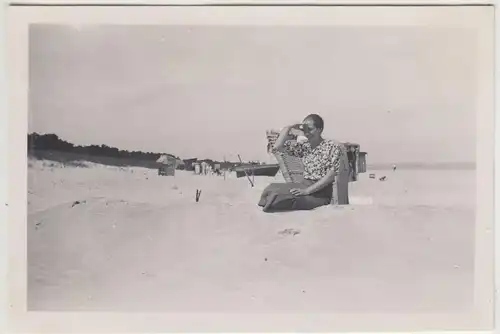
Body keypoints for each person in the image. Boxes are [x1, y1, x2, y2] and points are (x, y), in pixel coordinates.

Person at [258, 114, 348, 212]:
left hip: (319, 193)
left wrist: (307, 191)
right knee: (271, 188)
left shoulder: (332, 146)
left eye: (310, 129)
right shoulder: (305, 146)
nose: (307, 133)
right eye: (305, 130)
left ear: (320, 129)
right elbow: (277, 147)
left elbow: (330, 176)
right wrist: (290, 127)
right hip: (304, 184)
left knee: (279, 197)